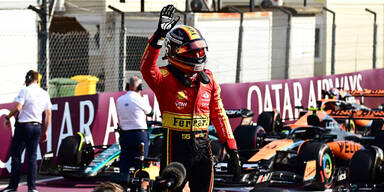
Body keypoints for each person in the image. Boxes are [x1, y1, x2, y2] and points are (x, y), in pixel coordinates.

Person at [140, 4, 241, 192]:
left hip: (204, 147)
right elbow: (146, 68)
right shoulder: (164, 78)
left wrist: (232, 148)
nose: (197, 55)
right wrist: (159, 36)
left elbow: (219, 115)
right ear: (175, 52)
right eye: (192, 51)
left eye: (200, 50)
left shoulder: (208, 78)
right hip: (175, 146)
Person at [1, 70, 52, 192]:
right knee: (32, 157)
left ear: (28, 80)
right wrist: (45, 131)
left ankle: (13, 187)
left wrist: (8, 117)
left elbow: (18, 107)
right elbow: (48, 114)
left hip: (23, 127)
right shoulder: (44, 93)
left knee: (16, 156)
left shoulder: (25, 90)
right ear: (37, 80)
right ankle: (32, 187)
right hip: (36, 127)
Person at [116, 75, 153, 173]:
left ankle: (122, 183)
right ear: (140, 87)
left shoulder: (119, 100)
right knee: (140, 162)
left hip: (125, 135)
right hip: (139, 135)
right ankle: (139, 183)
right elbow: (150, 112)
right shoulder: (139, 99)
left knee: (125, 159)